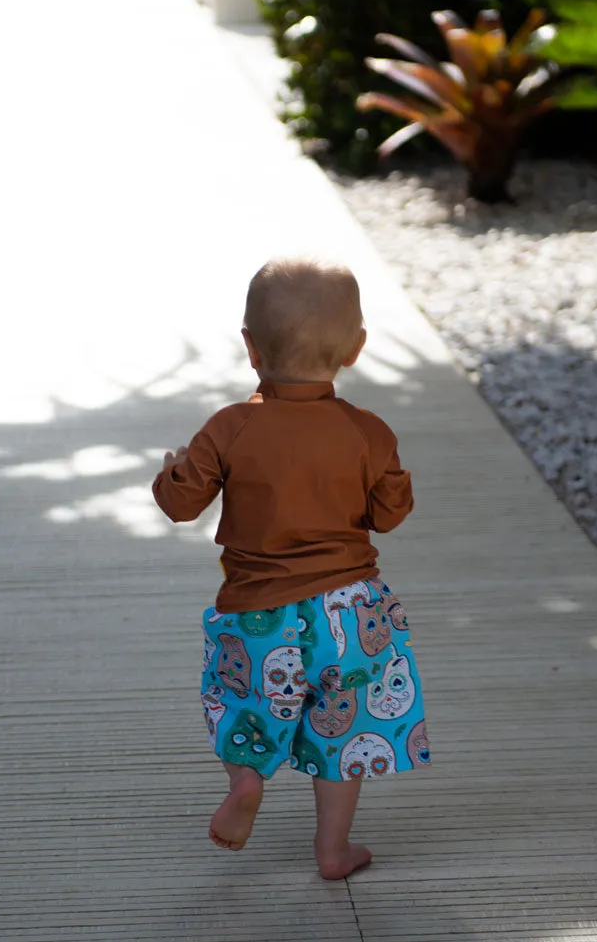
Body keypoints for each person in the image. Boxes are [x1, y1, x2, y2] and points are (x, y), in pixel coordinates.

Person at [151, 259, 429, 881]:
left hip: (259, 612)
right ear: (356, 349)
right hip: (354, 614)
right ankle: (332, 851)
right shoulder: (368, 432)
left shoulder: (231, 426)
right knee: (345, 732)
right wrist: (391, 472)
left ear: (249, 347)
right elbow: (391, 515)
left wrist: (171, 471)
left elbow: (179, 505)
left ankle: (246, 780)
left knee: (240, 703)